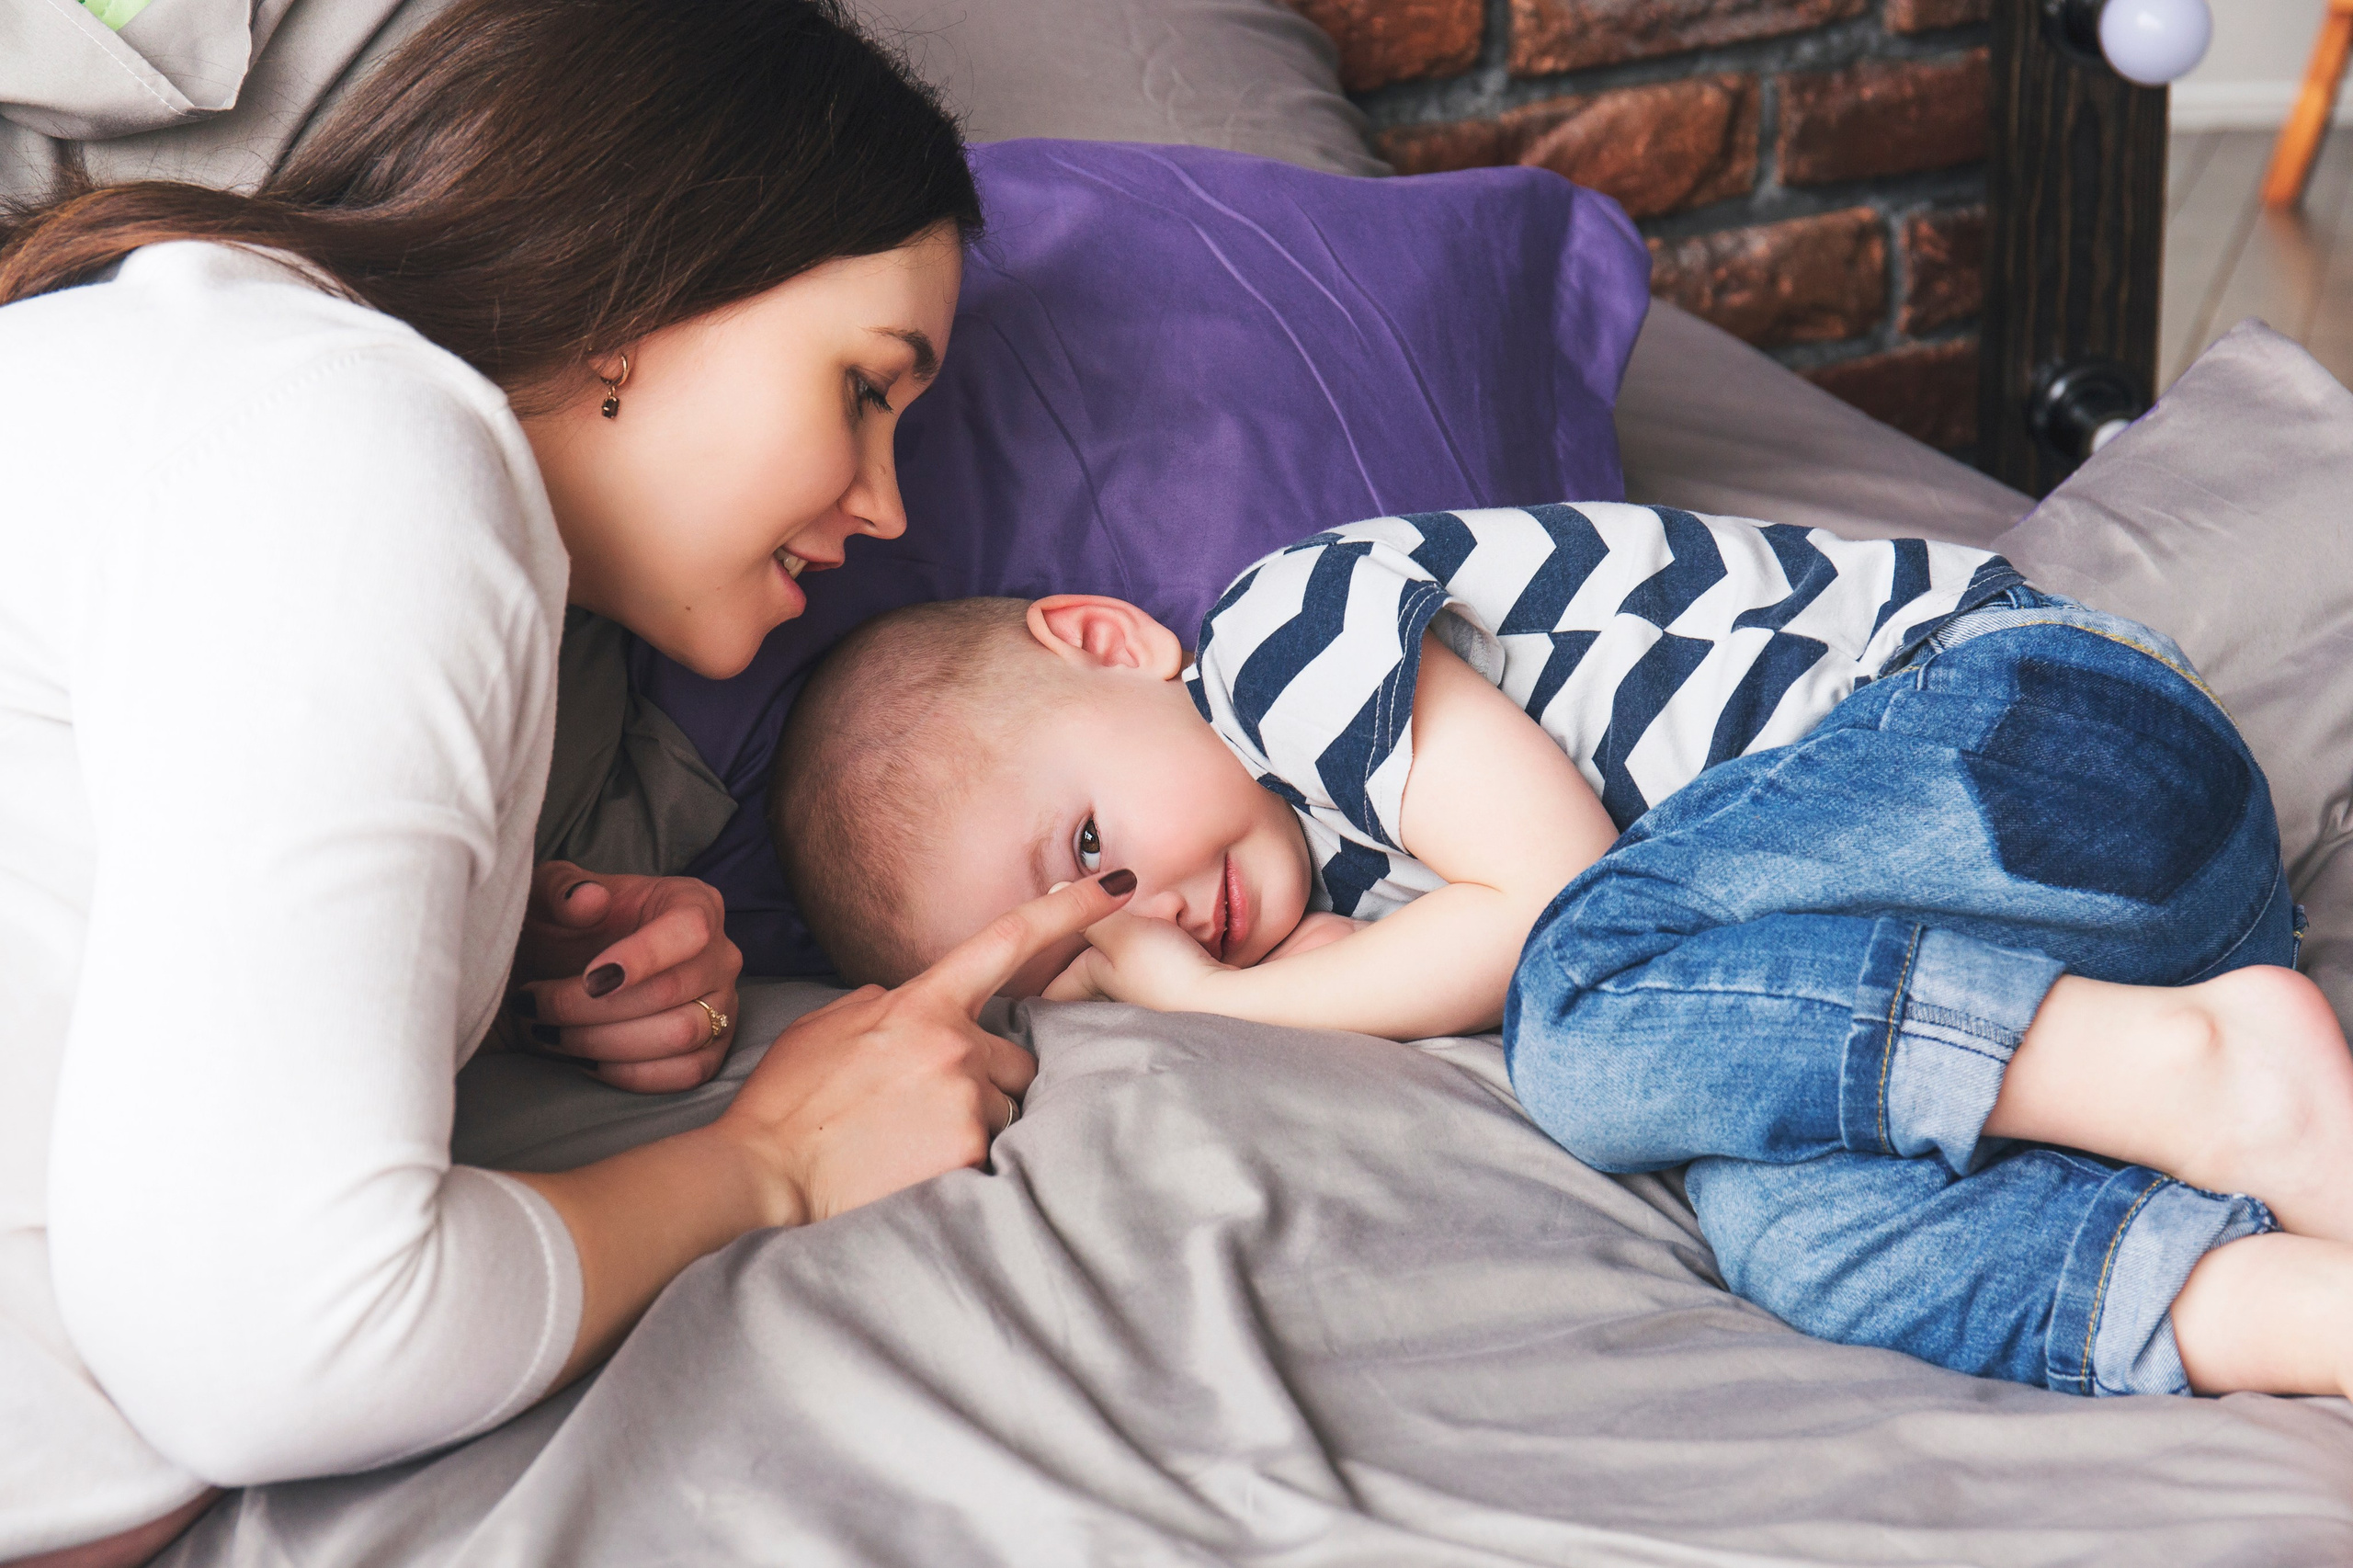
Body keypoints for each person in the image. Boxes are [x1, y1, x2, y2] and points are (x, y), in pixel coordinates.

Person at [0, 2, 1142, 1562]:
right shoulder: (358, 444)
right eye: (868, 389)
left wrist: (459, 936)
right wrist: (776, 1156)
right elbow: (272, 1345)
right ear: (644, 285)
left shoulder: (205, 376)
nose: (883, 506)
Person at [768, 499, 2353, 1405]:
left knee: (1577, 1017)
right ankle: (2294, 1306)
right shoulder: (1366, 912)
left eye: (1090, 858)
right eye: (1080, 955)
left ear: (1108, 644)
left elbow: (1555, 894)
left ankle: (2220, 1079)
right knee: (1789, 1234)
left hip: (2043, 740)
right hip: (2111, 938)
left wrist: (1210, 993)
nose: (1147, 919)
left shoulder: (1282, 650)